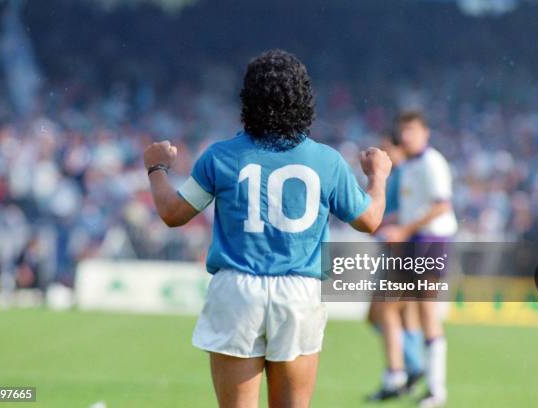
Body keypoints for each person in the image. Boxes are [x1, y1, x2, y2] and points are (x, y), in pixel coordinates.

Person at [143, 49, 392, 408]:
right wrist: (378, 176)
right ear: (304, 99)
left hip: (238, 290)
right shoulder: (326, 160)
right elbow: (369, 220)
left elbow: (172, 213)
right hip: (299, 293)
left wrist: (156, 169)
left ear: (248, 100)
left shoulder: (220, 156)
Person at [380, 111, 457, 408]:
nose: (407, 136)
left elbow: (442, 206)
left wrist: (403, 229)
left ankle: (436, 389)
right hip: (414, 238)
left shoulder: (431, 162)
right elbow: (412, 209)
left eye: (412, 129)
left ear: (426, 132)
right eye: (404, 131)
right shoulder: (410, 166)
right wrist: (388, 223)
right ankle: (404, 372)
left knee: (426, 310)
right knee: (393, 305)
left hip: (431, 240)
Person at [367, 133, 425, 402]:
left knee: (384, 311)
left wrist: (384, 222)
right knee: (400, 312)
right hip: (397, 250)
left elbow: (410, 211)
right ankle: (411, 365)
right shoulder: (397, 175)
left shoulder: (406, 175)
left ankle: (400, 371)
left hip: (404, 251)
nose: (383, 153)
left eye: (386, 148)